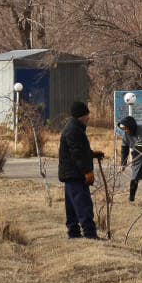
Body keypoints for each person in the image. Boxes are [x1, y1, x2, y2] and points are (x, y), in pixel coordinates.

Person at [57, 101, 105, 239]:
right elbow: (77, 154)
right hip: (75, 174)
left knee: (72, 207)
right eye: (86, 114)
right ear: (80, 116)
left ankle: (74, 234)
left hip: (71, 174)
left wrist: (93, 154)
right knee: (83, 205)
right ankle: (90, 235)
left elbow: (81, 150)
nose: (88, 117)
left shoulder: (74, 128)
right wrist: (87, 172)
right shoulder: (74, 130)